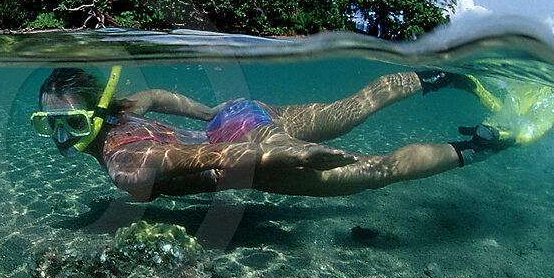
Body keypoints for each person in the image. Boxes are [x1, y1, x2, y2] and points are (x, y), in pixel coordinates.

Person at [30, 67, 509, 202]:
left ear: (98, 111)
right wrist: (212, 112)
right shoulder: (126, 109)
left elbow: (211, 162)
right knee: (348, 109)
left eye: (71, 124)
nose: (65, 140)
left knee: (371, 172)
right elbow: (156, 94)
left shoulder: (123, 166)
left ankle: (480, 144)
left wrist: (285, 158)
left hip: (244, 147)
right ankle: (437, 78)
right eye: (50, 127)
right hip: (238, 116)